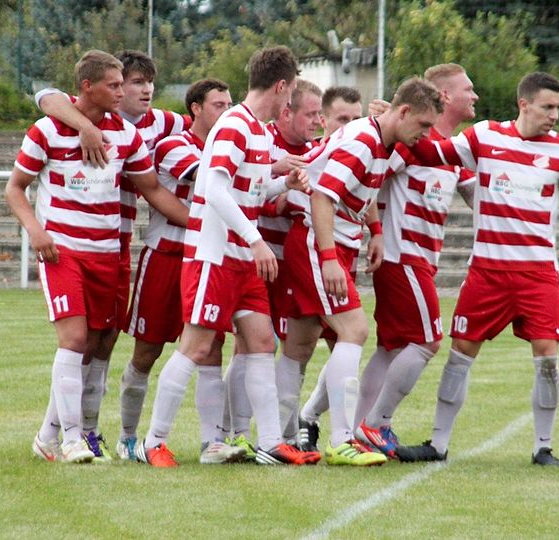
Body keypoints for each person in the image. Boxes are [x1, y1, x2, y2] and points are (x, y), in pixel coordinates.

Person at [401, 71, 559, 467]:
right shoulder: (485, 136)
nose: (554, 115)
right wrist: (391, 129)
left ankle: (543, 447)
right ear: (523, 104)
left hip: (538, 274)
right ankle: (438, 444)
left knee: (547, 357)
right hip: (487, 272)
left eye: (558, 108)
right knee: (461, 352)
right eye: (547, 107)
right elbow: (431, 154)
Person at [134, 46, 318, 468]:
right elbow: (213, 190)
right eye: (290, 96)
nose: (289, 106)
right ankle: (153, 441)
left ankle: (270, 444)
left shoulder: (255, 129)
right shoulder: (236, 126)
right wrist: (255, 240)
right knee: (196, 347)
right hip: (215, 256)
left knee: (261, 341)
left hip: (241, 260)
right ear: (281, 86)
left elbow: (246, 193)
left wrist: (283, 183)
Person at [34, 50, 190, 460]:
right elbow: (47, 96)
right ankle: (69, 435)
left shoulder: (158, 124)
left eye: (143, 83)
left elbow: (159, 180)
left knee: (103, 343)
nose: (141, 91)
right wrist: (85, 126)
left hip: (114, 248)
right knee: (78, 341)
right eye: (131, 83)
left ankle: (76, 434)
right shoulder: (63, 118)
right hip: (75, 243)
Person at [284, 77, 444, 466]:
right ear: (403, 112)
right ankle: (341, 439)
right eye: (423, 125)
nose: (425, 135)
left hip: (333, 241)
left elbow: (362, 190)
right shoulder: (362, 141)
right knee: (353, 331)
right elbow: (323, 196)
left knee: (299, 344)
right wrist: (327, 257)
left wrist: (374, 230)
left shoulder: (380, 140)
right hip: (316, 240)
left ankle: (279, 437)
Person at [6, 50, 151, 463]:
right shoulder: (47, 131)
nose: (124, 92)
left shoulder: (127, 134)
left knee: (95, 347)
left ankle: (47, 437)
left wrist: (198, 222)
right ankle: (72, 440)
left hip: (108, 254)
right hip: (62, 251)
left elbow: (152, 188)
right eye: (115, 84)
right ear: (87, 86)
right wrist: (37, 232)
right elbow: (14, 188)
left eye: (127, 84)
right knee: (73, 341)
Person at [350, 64, 478, 458]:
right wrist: (374, 233)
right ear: (445, 97)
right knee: (426, 342)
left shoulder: (450, 150)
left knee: (391, 346)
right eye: (467, 89)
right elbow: (370, 179)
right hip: (402, 256)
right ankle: (376, 423)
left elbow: (482, 202)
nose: (475, 96)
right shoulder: (410, 142)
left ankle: (355, 429)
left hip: (417, 259)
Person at [116, 78, 236, 464]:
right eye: (219, 105)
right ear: (196, 109)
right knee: (146, 352)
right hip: (166, 257)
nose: (227, 113)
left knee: (211, 347)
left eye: (231, 105)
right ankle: (128, 437)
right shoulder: (174, 144)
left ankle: (211, 442)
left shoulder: (231, 148)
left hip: (206, 258)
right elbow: (209, 180)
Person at [223, 78, 324, 455]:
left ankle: (283, 431)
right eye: (310, 113)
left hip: (293, 264)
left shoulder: (315, 150)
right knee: (247, 346)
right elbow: (247, 197)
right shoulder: (261, 140)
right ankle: (232, 432)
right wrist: (284, 188)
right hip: (256, 258)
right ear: (287, 111)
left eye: (319, 113)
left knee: (291, 345)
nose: (317, 121)